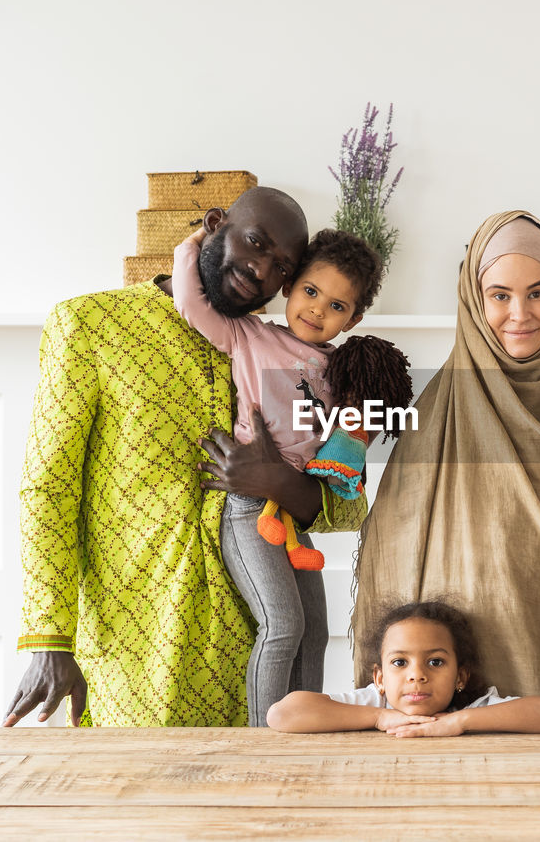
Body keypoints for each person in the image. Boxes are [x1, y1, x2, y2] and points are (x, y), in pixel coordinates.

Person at [3, 187, 368, 728]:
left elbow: (346, 509)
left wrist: (273, 480)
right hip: (134, 658)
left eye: (280, 266)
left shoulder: (289, 357)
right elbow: (49, 488)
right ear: (215, 223)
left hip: (249, 652)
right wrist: (49, 638)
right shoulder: (91, 325)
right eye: (253, 243)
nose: (259, 271)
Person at [352, 211, 540, 705]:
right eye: (500, 295)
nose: (520, 313)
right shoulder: (437, 415)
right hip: (450, 699)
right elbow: (400, 548)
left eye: (537, 292)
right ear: (474, 300)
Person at [170, 226, 397, 726]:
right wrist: (190, 245)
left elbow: (361, 429)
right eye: (311, 292)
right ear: (290, 287)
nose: (317, 310)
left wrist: (366, 422)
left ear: (354, 319)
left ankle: (305, 727)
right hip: (248, 509)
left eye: (337, 306)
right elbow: (190, 303)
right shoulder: (250, 337)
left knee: (315, 630)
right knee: (282, 624)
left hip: (296, 513)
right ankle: (265, 738)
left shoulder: (342, 370)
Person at [268, 600, 540, 736]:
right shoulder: (375, 702)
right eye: (400, 662)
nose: (417, 675)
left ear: (460, 677)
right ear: (380, 678)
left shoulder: (473, 708)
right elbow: (282, 714)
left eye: (435, 662)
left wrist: (460, 722)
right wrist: (377, 718)